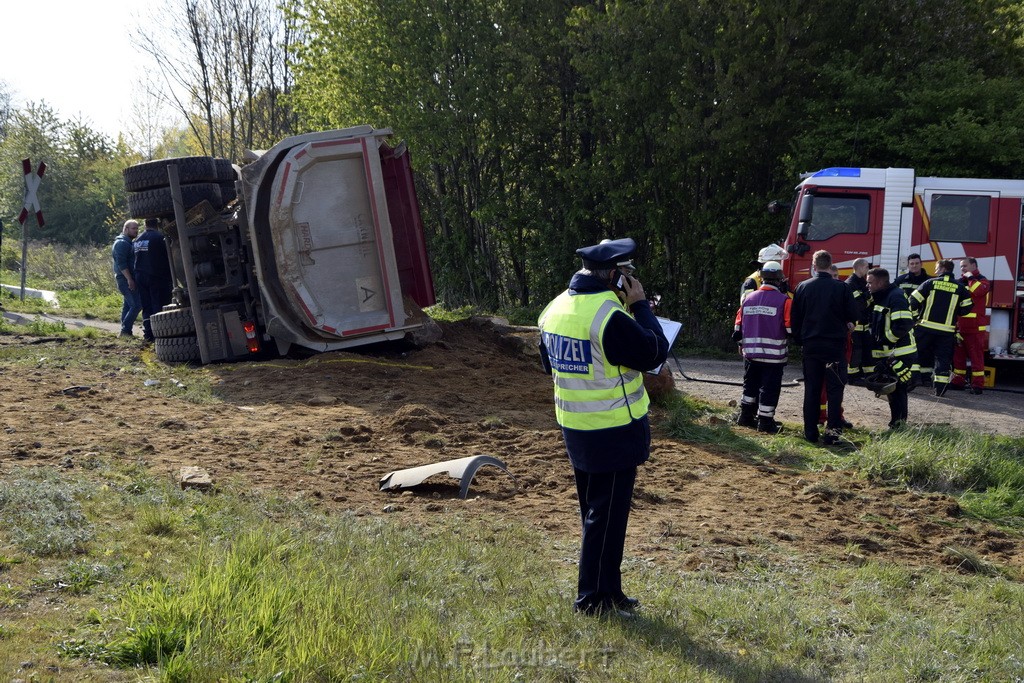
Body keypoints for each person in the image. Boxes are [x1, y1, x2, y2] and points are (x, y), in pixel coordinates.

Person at [537, 237, 669, 617]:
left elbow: (550, 365)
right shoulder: (609, 314)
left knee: (597, 515)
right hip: (613, 430)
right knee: (605, 519)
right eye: (626, 275)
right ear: (615, 275)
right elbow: (654, 353)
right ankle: (591, 600)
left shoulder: (555, 308)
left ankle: (608, 591)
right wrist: (640, 305)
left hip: (576, 426)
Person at [791, 250, 859, 445]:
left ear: (814, 265)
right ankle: (833, 433)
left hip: (811, 346)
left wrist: (800, 340)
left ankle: (810, 432)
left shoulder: (803, 287)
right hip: (834, 347)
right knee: (835, 390)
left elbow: (795, 320)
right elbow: (853, 314)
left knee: (811, 389)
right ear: (831, 266)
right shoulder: (841, 288)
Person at [733, 261, 791, 433]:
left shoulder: (748, 299)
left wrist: (742, 344)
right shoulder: (784, 301)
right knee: (769, 388)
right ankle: (765, 423)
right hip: (774, 356)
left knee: (750, 385)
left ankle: (745, 417)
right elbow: (790, 328)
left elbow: (738, 327)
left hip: (751, 354)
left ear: (762, 278)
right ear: (780, 280)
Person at [908, 259, 973, 396]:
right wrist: (956, 311)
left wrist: (914, 318)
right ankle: (940, 389)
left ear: (943, 269)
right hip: (946, 332)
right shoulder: (960, 287)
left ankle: (911, 380)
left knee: (914, 353)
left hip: (925, 328)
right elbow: (967, 308)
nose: (936, 270)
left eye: (937, 268)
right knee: (943, 359)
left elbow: (913, 300)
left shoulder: (930, 283)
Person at [866, 268, 919, 428]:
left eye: (870, 282)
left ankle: (899, 424)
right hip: (889, 353)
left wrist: (884, 341)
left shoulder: (895, 296)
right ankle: (896, 422)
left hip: (900, 353)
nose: (867, 285)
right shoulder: (881, 296)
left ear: (881, 282)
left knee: (899, 390)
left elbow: (903, 324)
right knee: (892, 391)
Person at [951, 257, 991, 394]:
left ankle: (978, 386)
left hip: (975, 329)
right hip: (960, 327)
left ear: (973, 266)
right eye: (961, 267)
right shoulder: (959, 282)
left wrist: (970, 277)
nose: (962, 269)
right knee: (958, 358)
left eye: (965, 266)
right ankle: (958, 382)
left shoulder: (983, 281)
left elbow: (978, 291)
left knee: (976, 359)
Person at [133, 218, 174, 342]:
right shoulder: (159, 237)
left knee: (146, 304)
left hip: (140, 276)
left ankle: (148, 333)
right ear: (157, 225)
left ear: (145, 225)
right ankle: (159, 332)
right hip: (156, 275)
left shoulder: (137, 240)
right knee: (158, 303)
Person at [111, 219, 142, 338]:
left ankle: (126, 332)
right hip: (124, 279)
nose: (136, 231)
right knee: (137, 305)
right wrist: (130, 279)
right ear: (125, 229)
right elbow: (121, 263)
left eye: (137, 228)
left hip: (127, 278)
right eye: (133, 228)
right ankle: (125, 330)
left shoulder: (128, 242)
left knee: (128, 305)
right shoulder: (121, 243)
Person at [845, 258, 873, 384]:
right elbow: (859, 304)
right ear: (860, 267)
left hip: (864, 325)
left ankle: (867, 375)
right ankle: (852, 377)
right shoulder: (851, 283)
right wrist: (868, 300)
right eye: (867, 267)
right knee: (855, 352)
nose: (868, 269)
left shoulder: (862, 282)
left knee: (866, 350)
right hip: (855, 326)